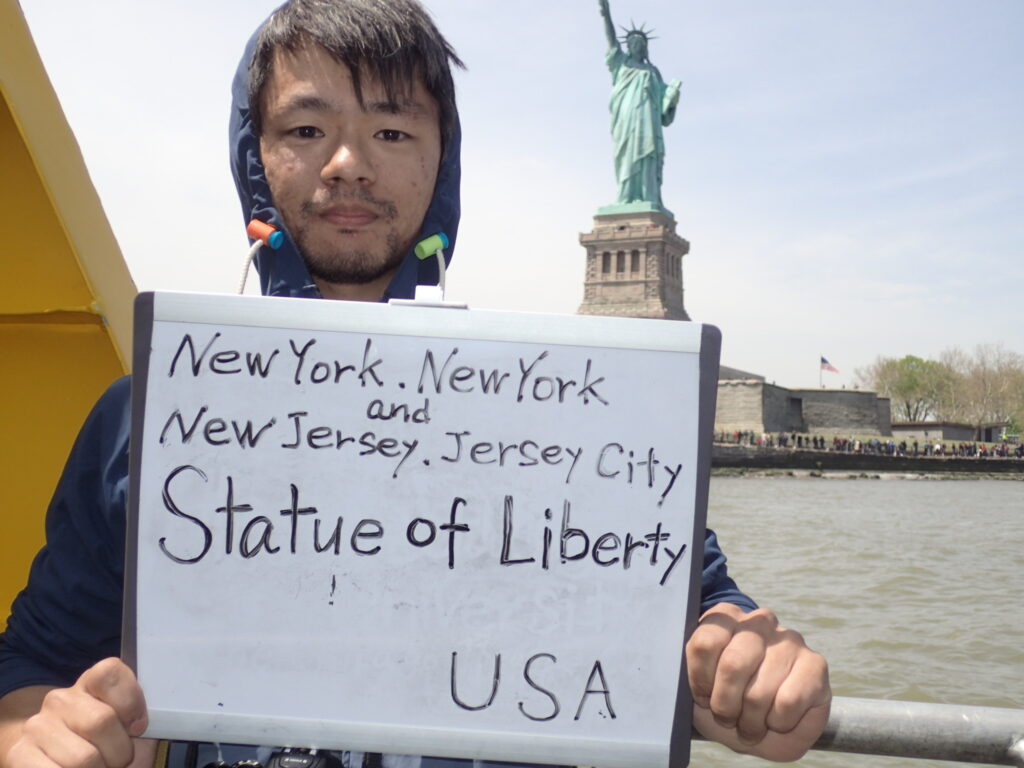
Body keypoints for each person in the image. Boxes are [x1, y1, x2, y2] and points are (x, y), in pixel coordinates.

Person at [0, 1, 830, 766]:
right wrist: (40, 731)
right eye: (304, 128)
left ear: (443, 162)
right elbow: (30, 669)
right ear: (256, 154)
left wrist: (749, 662)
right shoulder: (143, 415)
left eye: (393, 133)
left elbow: (700, 605)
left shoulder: (568, 416)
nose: (349, 164)